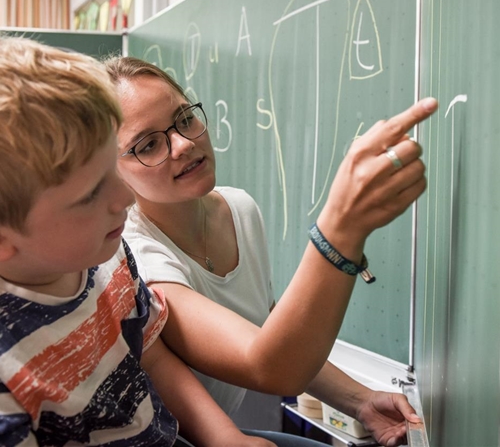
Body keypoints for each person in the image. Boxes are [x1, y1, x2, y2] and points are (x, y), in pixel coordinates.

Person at [105, 56, 438, 447]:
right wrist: (339, 233)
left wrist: (360, 400)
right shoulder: (130, 254)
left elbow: (269, 325)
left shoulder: (239, 209)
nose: (182, 144)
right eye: (148, 144)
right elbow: (269, 365)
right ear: (112, 171)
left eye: (184, 119)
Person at [0, 37, 277, 447]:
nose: (126, 198)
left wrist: (225, 438)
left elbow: (153, 355)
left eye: (112, 173)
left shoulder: (107, 261)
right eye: (92, 193)